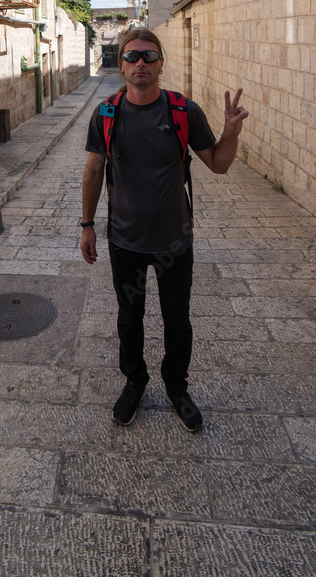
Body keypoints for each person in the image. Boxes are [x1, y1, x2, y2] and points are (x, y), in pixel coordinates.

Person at [80, 28, 248, 432]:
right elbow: (93, 170)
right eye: (133, 56)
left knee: (177, 320)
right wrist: (87, 225)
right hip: (125, 240)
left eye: (149, 57)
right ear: (120, 64)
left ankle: (177, 387)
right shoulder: (105, 113)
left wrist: (230, 133)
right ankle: (135, 382)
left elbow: (219, 164)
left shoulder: (183, 111)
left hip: (174, 241)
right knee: (129, 318)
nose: (141, 63)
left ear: (160, 64)